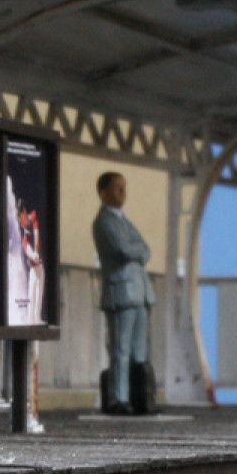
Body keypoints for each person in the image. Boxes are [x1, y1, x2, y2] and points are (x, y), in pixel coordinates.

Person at [92, 172, 157, 415]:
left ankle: (138, 398)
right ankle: (117, 399)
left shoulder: (123, 221)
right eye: (117, 188)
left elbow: (143, 248)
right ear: (103, 192)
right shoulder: (104, 222)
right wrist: (138, 250)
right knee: (120, 350)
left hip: (139, 292)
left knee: (138, 351)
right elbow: (124, 250)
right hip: (120, 292)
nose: (122, 192)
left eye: (123, 187)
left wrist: (137, 250)